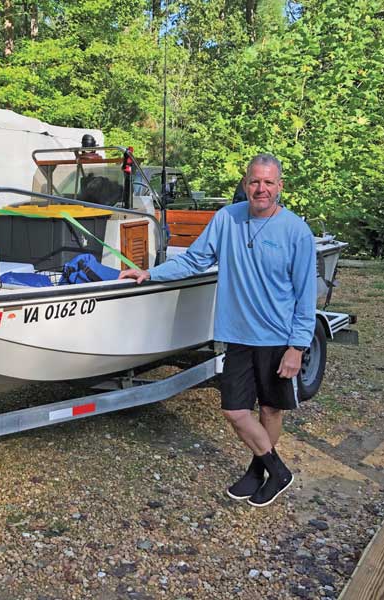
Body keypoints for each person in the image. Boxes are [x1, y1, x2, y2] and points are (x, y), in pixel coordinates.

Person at [119, 153, 316, 507]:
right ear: (245, 184)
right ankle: (279, 471)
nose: (261, 189)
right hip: (237, 335)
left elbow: (305, 294)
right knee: (234, 411)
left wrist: (297, 347)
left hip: (278, 338)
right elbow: (196, 260)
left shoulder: (296, 232)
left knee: (270, 410)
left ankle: (258, 473)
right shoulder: (227, 219)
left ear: (280, 187)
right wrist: (150, 273)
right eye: (255, 181)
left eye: (268, 183)